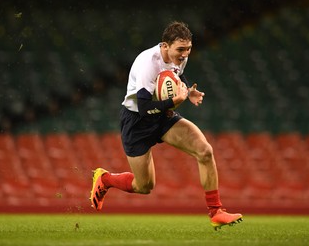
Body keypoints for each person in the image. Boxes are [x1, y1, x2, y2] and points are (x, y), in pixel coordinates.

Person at [90, 21, 242, 229]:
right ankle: (105, 179)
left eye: (188, 49)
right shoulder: (148, 63)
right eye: (180, 49)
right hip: (137, 121)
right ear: (165, 45)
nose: (185, 54)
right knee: (144, 186)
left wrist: (189, 92)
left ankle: (216, 212)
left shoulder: (180, 57)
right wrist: (174, 101)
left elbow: (177, 75)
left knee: (205, 151)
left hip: (162, 116)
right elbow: (143, 107)